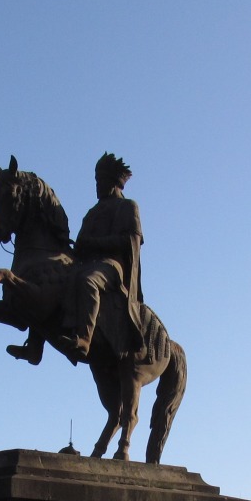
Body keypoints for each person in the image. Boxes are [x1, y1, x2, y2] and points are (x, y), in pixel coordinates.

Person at [57, 153, 145, 358]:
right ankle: (36, 345)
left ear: (113, 182)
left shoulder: (128, 206)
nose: (97, 186)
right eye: (96, 181)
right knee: (55, 282)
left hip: (112, 266)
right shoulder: (93, 212)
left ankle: (84, 338)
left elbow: (130, 241)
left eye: (101, 181)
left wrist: (94, 243)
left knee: (88, 280)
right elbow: (81, 242)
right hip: (88, 263)